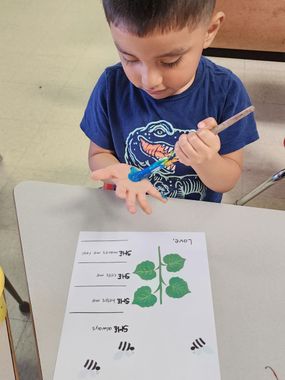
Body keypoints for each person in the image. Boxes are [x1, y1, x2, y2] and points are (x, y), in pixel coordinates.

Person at [80, 0, 259, 214]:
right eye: (130, 58)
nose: (149, 81)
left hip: (192, 218)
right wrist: (116, 172)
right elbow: (97, 155)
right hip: (127, 211)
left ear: (209, 31)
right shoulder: (112, 85)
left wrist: (206, 161)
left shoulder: (226, 91)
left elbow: (227, 180)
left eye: (169, 61)